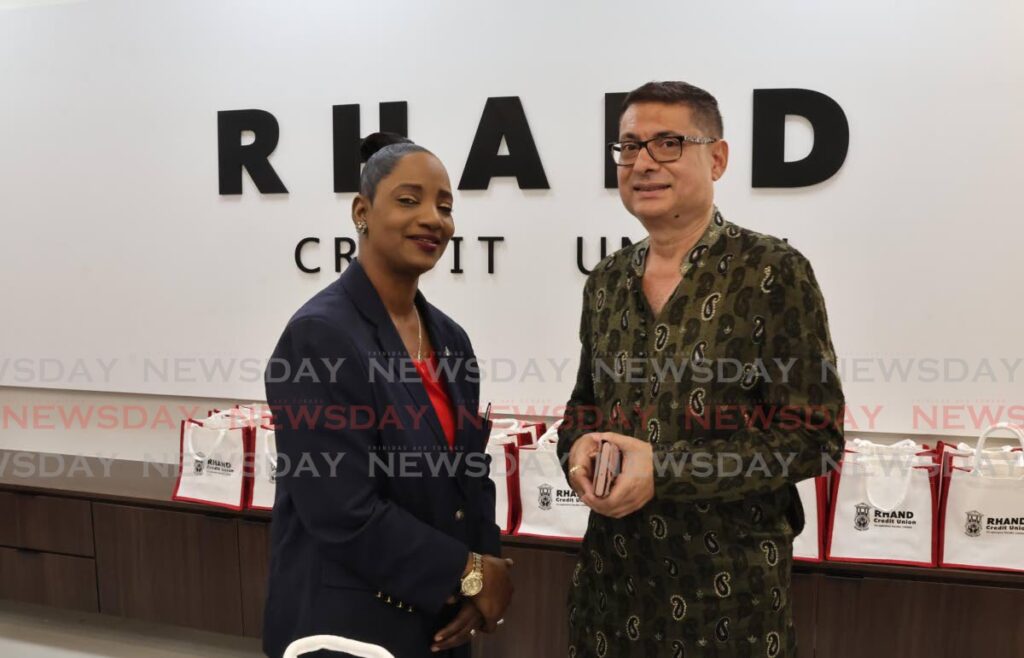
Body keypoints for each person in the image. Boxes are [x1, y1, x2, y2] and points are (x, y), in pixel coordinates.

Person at [557, 82, 845, 657]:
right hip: (611, 595)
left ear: (717, 158)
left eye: (668, 144)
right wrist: (576, 449)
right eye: (629, 146)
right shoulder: (607, 280)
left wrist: (663, 470)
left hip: (728, 602)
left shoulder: (773, 273)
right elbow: (584, 405)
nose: (643, 163)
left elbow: (816, 436)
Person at [262, 133, 513, 658]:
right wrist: (469, 574)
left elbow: (471, 469)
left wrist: (484, 571)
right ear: (362, 211)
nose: (433, 218)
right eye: (408, 200)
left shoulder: (450, 337)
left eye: (445, 206)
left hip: (438, 622)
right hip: (348, 627)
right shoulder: (319, 336)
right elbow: (341, 510)